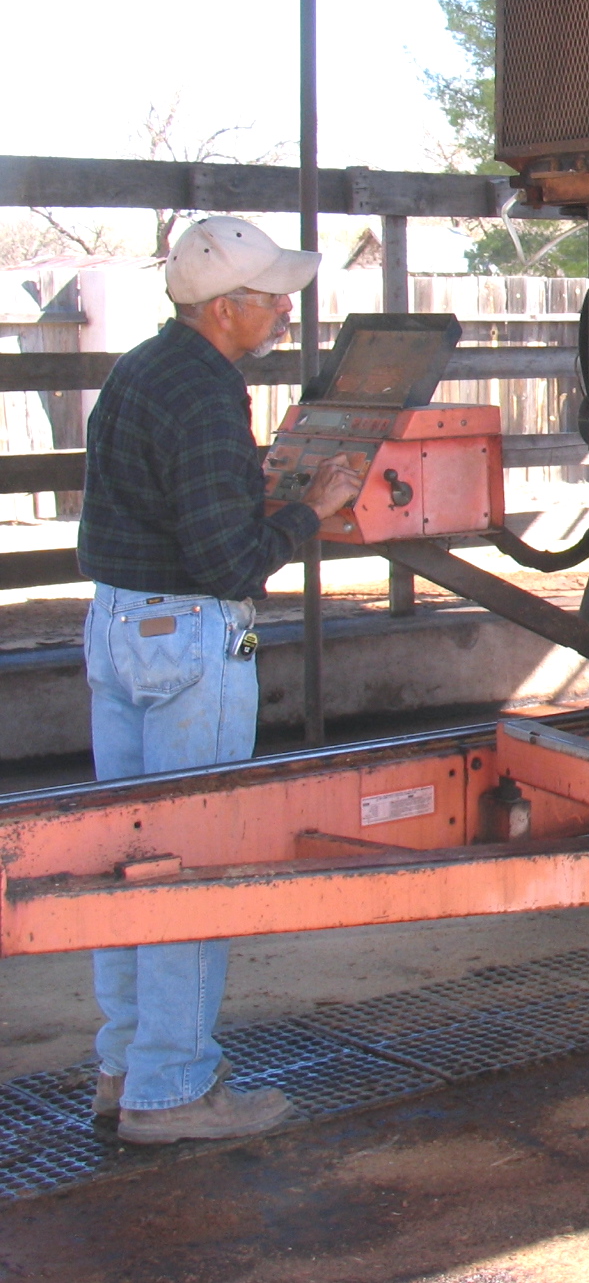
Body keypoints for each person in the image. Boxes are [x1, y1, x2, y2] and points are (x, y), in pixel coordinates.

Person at [77, 216, 362, 1145]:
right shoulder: (205, 396)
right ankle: (176, 1090)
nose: (286, 309)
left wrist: (258, 487)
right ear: (226, 307)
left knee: (123, 861)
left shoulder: (141, 368)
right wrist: (308, 513)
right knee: (191, 865)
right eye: (273, 296)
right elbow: (229, 562)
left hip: (117, 625)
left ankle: (124, 1070)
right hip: (186, 643)